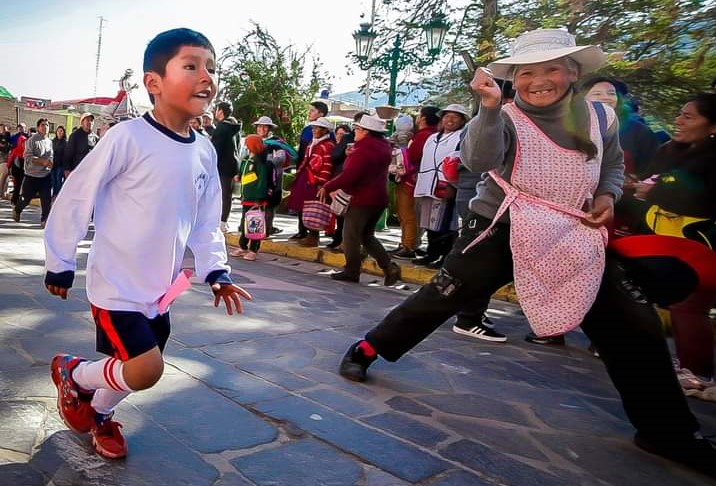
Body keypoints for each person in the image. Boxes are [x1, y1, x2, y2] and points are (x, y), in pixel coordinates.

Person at [337, 28, 716, 477]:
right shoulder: (505, 114)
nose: (539, 80)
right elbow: (478, 160)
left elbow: (611, 165)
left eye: (552, 68)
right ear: (513, 79)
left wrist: (608, 196)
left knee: (634, 322)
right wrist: (490, 108)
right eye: (527, 72)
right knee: (442, 295)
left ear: (572, 72)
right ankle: (366, 348)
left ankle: (667, 432)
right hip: (500, 225)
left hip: (572, 230)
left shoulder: (601, 118)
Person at [44, 28, 252, 460]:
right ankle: (76, 374)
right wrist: (60, 260)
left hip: (160, 291)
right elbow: (77, 195)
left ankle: (99, 415)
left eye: (211, 68)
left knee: (137, 368)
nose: (206, 77)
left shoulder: (205, 151)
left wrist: (217, 271)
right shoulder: (128, 138)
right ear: (154, 83)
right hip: (116, 286)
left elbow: (206, 220)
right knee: (146, 369)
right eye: (191, 66)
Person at [627, 93, 716, 386]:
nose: (678, 121)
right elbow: (652, 180)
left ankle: (697, 373)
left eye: (689, 117)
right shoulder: (670, 150)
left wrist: (653, 191)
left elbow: (699, 197)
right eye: (680, 113)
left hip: (700, 242)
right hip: (663, 239)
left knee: (690, 304)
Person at [318, 114, 401, 286]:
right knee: (367, 236)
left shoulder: (363, 150)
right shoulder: (383, 147)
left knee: (350, 236)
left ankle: (352, 271)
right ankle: (389, 267)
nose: (355, 132)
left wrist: (328, 186)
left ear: (366, 131)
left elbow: (349, 176)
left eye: (357, 129)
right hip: (379, 198)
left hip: (362, 199)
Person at [411, 104, 469, 268]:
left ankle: (445, 257)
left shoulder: (461, 138)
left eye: (455, 117)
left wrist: (453, 183)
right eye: (447, 116)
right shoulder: (432, 138)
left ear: (462, 121)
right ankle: (432, 252)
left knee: (445, 223)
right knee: (429, 222)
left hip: (446, 185)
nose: (450, 120)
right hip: (427, 184)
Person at [286, 116, 335, 247]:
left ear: (325, 130)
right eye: (313, 127)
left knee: (315, 208)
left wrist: (322, 184)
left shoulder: (327, 146)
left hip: (316, 181)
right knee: (304, 207)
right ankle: (307, 234)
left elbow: (327, 166)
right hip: (306, 178)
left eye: (317, 128)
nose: (313, 130)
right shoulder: (312, 143)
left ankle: (313, 235)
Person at [252, 115, 297, 236]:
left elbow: (281, 158)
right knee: (255, 205)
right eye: (259, 126)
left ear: (269, 128)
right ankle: (255, 230)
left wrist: (266, 164)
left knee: (269, 206)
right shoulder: (254, 141)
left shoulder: (276, 143)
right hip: (256, 180)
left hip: (273, 179)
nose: (261, 129)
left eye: (264, 127)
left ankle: (266, 229)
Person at [229, 134, 272, 261]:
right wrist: (239, 176)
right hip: (246, 198)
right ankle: (243, 246)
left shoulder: (261, 162)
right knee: (245, 223)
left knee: (255, 224)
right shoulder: (247, 159)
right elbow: (242, 171)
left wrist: (259, 198)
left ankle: (254, 249)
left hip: (255, 200)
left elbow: (262, 181)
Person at [14, 118, 53, 227]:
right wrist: (42, 162)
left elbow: (50, 156)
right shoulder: (32, 140)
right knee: (26, 198)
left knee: (46, 199)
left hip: (45, 175)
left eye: (47, 125)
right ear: (38, 127)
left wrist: (50, 163)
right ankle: (18, 209)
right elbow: (28, 156)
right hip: (32, 176)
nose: (45, 127)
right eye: (43, 125)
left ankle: (44, 220)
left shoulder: (49, 141)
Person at [211, 101, 242, 233]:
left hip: (221, 166)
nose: (214, 112)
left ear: (220, 111)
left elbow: (215, 149)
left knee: (220, 195)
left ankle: (220, 221)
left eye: (216, 109)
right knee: (227, 195)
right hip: (232, 166)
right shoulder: (235, 127)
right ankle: (224, 221)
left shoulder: (222, 127)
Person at [64, 113, 99, 178]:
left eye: (92, 120)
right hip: (76, 170)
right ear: (82, 122)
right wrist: (67, 169)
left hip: (90, 172)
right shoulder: (75, 136)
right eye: (88, 120)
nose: (90, 122)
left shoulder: (95, 137)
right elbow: (68, 154)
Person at [8, 123, 28, 207]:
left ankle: (16, 200)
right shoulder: (16, 150)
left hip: (22, 170)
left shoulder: (25, 151)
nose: (24, 144)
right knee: (19, 185)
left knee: (20, 185)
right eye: (22, 142)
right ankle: (15, 200)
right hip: (18, 170)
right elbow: (11, 160)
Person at [51, 126, 67, 197]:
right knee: (53, 180)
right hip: (53, 164)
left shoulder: (65, 143)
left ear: (63, 132)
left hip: (61, 165)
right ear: (56, 132)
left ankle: (58, 195)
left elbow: (67, 155)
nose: (59, 132)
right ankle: (54, 194)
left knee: (58, 180)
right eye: (58, 131)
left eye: (61, 131)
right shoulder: (53, 141)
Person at [0, 124, 11, 198]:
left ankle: (3, 192)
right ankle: (1, 192)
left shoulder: (9, 135)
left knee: (7, 174)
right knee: (5, 172)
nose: (4, 130)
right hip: (2, 156)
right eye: (2, 128)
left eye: (5, 128)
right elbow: (2, 145)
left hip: (9, 155)